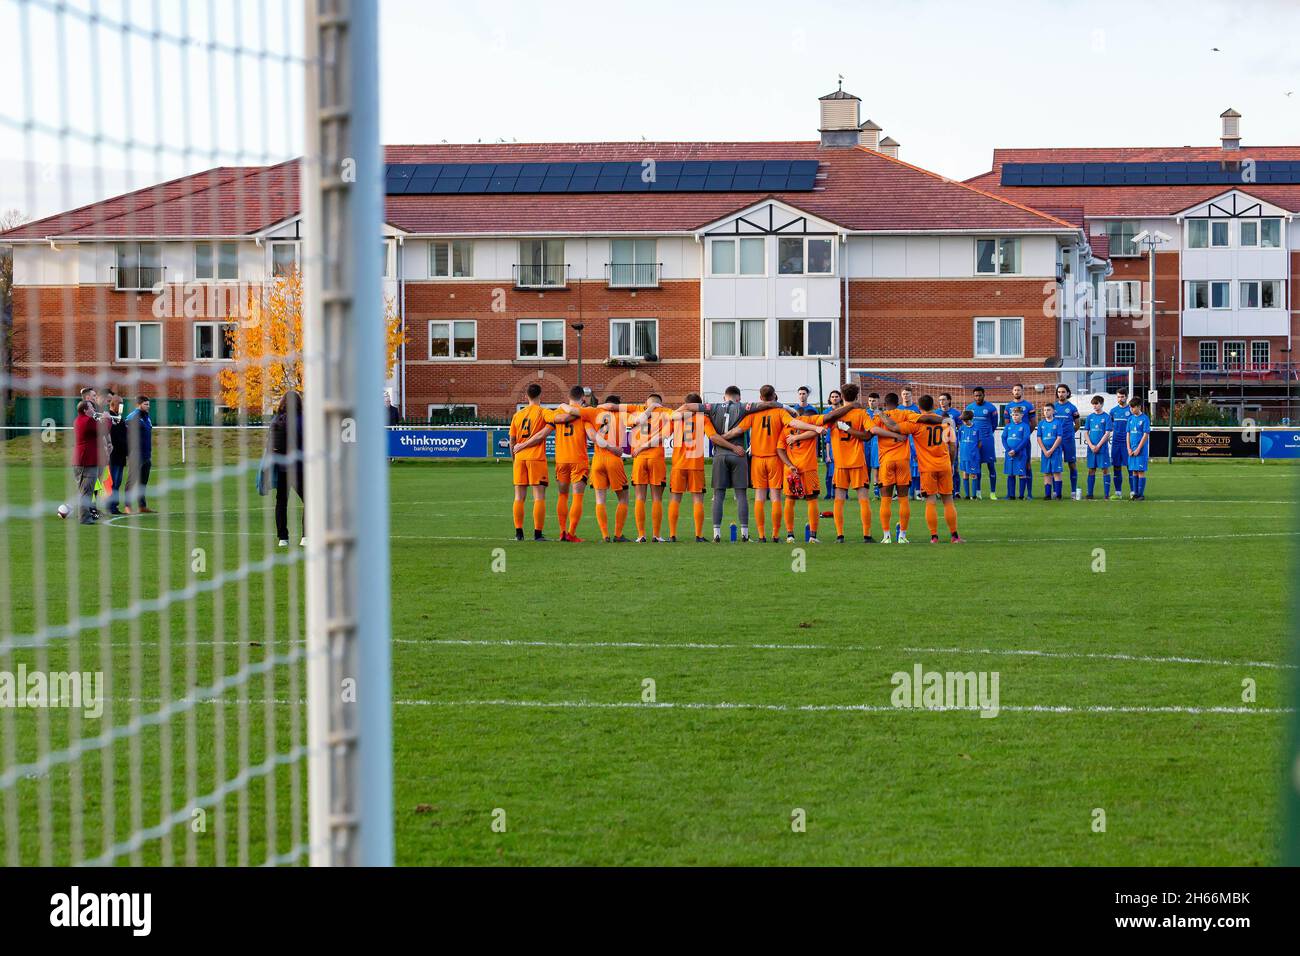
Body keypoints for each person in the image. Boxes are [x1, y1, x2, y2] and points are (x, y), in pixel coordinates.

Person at [676, 387, 781, 543]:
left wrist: (674, 413)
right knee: (741, 495)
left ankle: (716, 533)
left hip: (719, 454)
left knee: (718, 495)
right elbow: (767, 404)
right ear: (738, 397)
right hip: (738, 454)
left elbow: (688, 406)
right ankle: (745, 534)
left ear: (724, 397)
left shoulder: (712, 407)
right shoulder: (743, 407)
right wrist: (785, 407)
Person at [819, 386, 911, 543]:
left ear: (841, 396)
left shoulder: (833, 415)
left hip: (840, 462)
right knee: (863, 499)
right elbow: (871, 432)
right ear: (857, 396)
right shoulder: (861, 413)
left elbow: (822, 424)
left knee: (839, 499)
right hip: (857, 461)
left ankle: (840, 535)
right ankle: (867, 535)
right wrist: (895, 434)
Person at [663, 396, 744, 542]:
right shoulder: (703, 419)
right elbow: (713, 437)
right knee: (697, 499)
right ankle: (699, 535)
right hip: (695, 463)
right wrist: (733, 447)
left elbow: (664, 434)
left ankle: (672, 535)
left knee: (675, 498)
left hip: (678, 463)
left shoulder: (676, 418)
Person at [718, 385, 791, 543]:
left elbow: (737, 430)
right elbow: (792, 423)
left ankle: (761, 535)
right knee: (776, 496)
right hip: (775, 458)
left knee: (759, 497)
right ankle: (776, 535)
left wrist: (722, 438)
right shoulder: (780, 412)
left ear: (760, 398)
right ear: (774, 396)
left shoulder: (754, 413)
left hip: (757, 459)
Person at [888, 395, 963, 543]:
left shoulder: (916, 423)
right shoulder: (945, 422)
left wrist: (882, 415)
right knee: (948, 501)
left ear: (919, 408)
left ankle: (934, 537)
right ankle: (954, 536)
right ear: (934, 405)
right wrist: (951, 463)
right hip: (944, 465)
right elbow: (953, 446)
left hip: (927, 467)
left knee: (930, 501)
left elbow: (894, 427)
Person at [549, 386, 598, 542]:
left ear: (569, 396)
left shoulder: (558, 412)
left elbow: (550, 425)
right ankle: (571, 533)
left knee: (562, 495)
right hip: (578, 459)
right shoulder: (584, 413)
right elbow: (591, 436)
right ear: (582, 397)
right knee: (577, 497)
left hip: (561, 459)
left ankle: (562, 532)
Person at [508, 382, 555, 541]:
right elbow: (551, 424)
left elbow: (512, 441)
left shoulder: (517, 415)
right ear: (540, 395)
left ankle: (518, 533)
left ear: (526, 396)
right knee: (539, 497)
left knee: (519, 497)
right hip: (535, 457)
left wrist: (515, 459)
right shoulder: (543, 411)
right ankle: (537, 534)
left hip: (519, 457)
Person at [626, 393, 675, 542]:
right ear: (661, 403)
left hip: (639, 459)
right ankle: (657, 535)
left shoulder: (636, 413)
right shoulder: (666, 414)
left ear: (646, 403)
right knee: (657, 498)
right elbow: (663, 436)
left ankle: (641, 535)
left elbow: (632, 422)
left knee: (640, 498)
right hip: (656, 459)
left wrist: (640, 448)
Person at [585, 396, 633, 541]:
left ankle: (605, 535)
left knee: (600, 499)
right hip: (614, 459)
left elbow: (592, 437)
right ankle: (618, 535)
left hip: (597, 460)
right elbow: (638, 421)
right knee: (623, 498)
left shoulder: (593, 414)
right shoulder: (623, 415)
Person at [778, 408, 828, 543]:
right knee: (812, 499)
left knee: (789, 500)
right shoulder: (811, 423)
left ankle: (790, 535)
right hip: (808, 467)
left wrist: (789, 465)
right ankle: (812, 536)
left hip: (791, 469)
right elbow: (818, 430)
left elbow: (779, 449)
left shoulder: (786, 427)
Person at [270, 391, 305, 545]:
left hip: (281, 467)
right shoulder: (302, 420)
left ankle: (282, 538)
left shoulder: (276, 420)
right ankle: (306, 536)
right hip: (299, 467)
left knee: (281, 503)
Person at [72, 398, 106, 525]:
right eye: (91, 407)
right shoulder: (88, 421)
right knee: (87, 490)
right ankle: (84, 517)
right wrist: (107, 419)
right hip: (87, 461)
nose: (94, 409)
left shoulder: (79, 420)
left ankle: (83, 515)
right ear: (85, 410)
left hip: (82, 460)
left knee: (84, 490)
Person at [964, 387, 1000, 499]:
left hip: (987, 440)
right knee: (976, 465)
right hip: (974, 442)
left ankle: (992, 492)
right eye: (975, 396)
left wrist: (987, 434)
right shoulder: (969, 408)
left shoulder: (991, 408)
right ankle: (978, 492)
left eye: (979, 395)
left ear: (984, 395)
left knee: (991, 465)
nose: (977, 398)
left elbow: (994, 424)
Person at [1003, 384, 1037, 498]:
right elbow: (1007, 424)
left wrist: (1024, 435)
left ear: (1022, 391)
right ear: (1012, 392)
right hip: (1012, 442)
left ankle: (1029, 493)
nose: (1017, 392)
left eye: (1019, 390)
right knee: (1011, 469)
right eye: (1015, 390)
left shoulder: (1028, 405)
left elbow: (1033, 422)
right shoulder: (1008, 406)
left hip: (1024, 441)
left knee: (1027, 465)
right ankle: (1010, 494)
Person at [123, 396, 153, 513]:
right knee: (132, 481)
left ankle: (142, 506)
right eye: (146, 404)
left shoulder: (146, 417)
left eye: (148, 404)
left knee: (143, 482)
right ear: (138, 405)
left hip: (146, 454)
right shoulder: (133, 416)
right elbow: (126, 425)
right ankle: (127, 506)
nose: (148, 406)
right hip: (136, 454)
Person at [1053, 383, 1082, 500]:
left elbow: (1078, 424)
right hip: (1056, 441)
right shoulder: (1053, 407)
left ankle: (1073, 491)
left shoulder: (1072, 408)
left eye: (1063, 392)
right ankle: (1056, 491)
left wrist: (1069, 433)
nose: (1061, 394)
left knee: (1072, 464)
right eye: (1059, 392)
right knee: (1055, 465)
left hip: (1068, 440)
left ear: (1068, 393)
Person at [1083, 395, 1113, 500]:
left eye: (1096, 404)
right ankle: (1090, 493)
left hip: (1102, 448)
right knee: (1091, 469)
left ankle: (1106, 494)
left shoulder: (1106, 417)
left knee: (1105, 469)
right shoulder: (1090, 417)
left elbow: (1107, 433)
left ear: (1102, 404)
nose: (1094, 406)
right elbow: (1086, 432)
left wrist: (1098, 445)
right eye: (1093, 404)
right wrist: (1091, 445)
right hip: (1091, 448)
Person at [1001, 404, 1031, 499]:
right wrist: (1008, 450)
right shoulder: (1008, 426)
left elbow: (1026, 439)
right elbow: (1003, 438)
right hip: (1009, 454)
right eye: (1013, 415)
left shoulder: (1025, 426)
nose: (1015, 416)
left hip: (1020, 454)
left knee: (1021, 474)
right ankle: (1011, 495)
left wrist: (1016, 450)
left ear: (1022, 415)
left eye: (1017, 415)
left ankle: (1021, 495)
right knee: (1011, 474)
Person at [1036, 402, 1064, 500]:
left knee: (1056, 472)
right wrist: (1045, 450)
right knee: (1047, 473)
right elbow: (1039, 438)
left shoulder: (1057, 423)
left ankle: (1058, 494)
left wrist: (1051, 450)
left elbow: (1059, 437)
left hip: (1055, 452)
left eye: (1048, 410)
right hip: (1045, 453)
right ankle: (1048, 495)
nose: (1046, 412)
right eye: (1044, 410)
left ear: (1053, 411)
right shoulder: (1041, 423)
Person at [937, 392, 963, 497]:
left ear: (949, 401)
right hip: (939, 445)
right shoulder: (936, 413)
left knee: (954, 467)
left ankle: (956, 491)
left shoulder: (956, 413)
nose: (941, 402)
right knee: (940, 469)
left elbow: (961, 428)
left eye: (943, 399)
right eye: (940, 400)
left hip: (952, 444)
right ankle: (941, 490)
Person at [899, 387, 922, 499]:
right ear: (901, 395)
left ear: (911, 395)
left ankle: (917, 491)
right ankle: (906, 491)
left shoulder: (916, 409)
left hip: (913, 439)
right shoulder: (898, 408)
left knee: (915, 465)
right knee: (903, 466)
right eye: (904, 394)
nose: (905, 396)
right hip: (901, 439)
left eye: (907, 394)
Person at [106, 395, 128, 515]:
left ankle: (114, 505)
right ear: (112, 404)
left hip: (121, 456)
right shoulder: (109, 418)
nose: (121, 406)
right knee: (113, 482)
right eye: (119, 403)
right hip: (112, 456)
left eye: (122, 403)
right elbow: (114, 438)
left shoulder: (119, 418)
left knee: (118, 482)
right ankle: (111, 506)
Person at [1126, 397, 1151, 500]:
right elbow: (1128, 434)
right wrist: (1128, 448)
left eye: (1133, 408)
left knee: (1140, 471)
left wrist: (1138, 449)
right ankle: (1135, 493)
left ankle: (1141, 494)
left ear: (1139, 407)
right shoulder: (1130, 419)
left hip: (1141, 450)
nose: (1131, 410)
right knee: (1134, 471)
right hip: (1131, 449)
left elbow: (1145, 435)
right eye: (1130, 408)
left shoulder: (1145, 418)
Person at [1109, 387, 1131, 499]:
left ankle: (1133, 492)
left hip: (1127, 443)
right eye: (1118, 396)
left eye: (1122, 396)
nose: (1120, 398)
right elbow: (1110, 426)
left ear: (1126, 397)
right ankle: (1118, 492)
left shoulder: (1131, 411)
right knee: (1116, 467)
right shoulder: (1113, 411)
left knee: (1130, 467)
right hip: (1116, 443)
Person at [821, 388, 842, 498]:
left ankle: (843, 493)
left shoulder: (844, 410)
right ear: (830, 399)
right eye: (832, 397)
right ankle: (829, 493)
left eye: (836, 396)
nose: (834, 398)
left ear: (840, 398)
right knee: (829, 471)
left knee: (841, 471)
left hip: (842, 443)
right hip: (829, 443)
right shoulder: (826, 412)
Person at [957, 411, 980, 500]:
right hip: (963, 455)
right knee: (965, 474)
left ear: (970, 419)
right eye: (963, 420)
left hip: (973, 456)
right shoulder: (962, 429)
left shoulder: (976, 428)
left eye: (966, 420)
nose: (964, 422)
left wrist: (973, 451)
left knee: (973, 475)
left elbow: (979, 443)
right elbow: (960, 441)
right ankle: (967, 495)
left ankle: (974, 496)